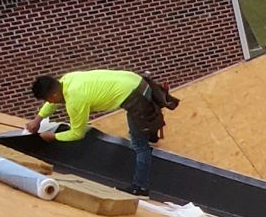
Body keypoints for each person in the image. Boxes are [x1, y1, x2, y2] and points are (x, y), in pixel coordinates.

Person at [32, 68, 178, 194]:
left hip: (134, 96)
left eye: (49, 100)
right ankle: (149, 132)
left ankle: (141, 188)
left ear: (53, 95)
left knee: (140, 146)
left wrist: (54, 137)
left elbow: (77, 133)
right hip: (136, 80)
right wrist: (37, 120)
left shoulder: (75, 99)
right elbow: (52, 104)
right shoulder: (67, 79)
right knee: (142, 121)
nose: (50, 104)